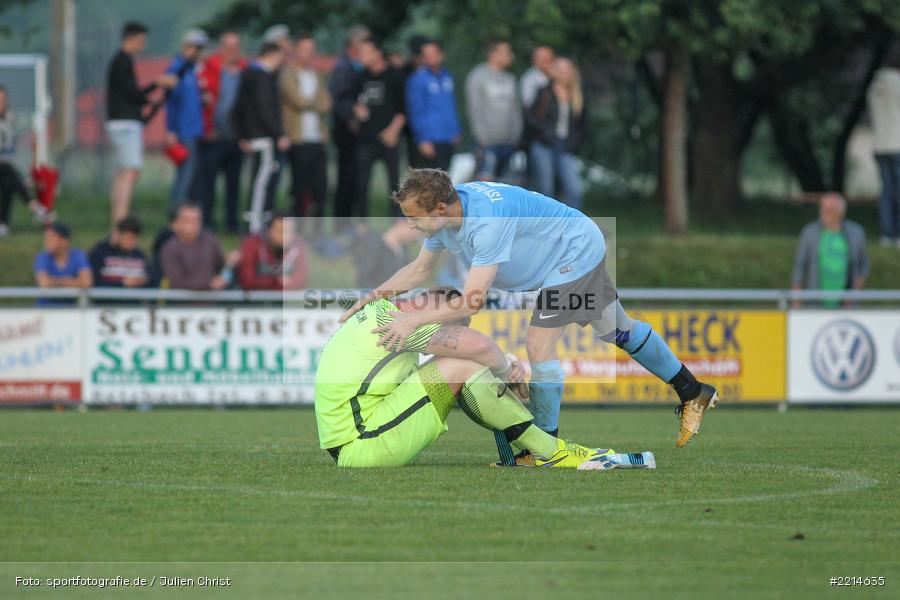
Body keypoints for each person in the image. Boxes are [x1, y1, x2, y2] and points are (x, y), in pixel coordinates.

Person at [340, 169, 718, 458]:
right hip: (574, 244)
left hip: (573, 256)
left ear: (439, 208)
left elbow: (471, 301)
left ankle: (542, 449)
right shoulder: (445, 218)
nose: (410, 226)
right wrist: (372, 297)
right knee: (618, 331)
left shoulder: (487, 224)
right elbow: (419, 271)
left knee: (539, 344)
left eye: (414, 218)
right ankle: (692, 390)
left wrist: (411, 319)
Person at [317, 287, 654, 469]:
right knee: (461, 362)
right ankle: (551, 451)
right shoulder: (399, 323)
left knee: (459, 361)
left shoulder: (383, 310)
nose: (447, 329)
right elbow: (477, 345)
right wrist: (508, 370)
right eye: (451, 322)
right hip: (361, 447)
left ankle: (521, 453)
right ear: (438, 307)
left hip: (356, 440)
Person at [106, 22, 175, 226]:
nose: (143, 46)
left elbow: (132, 94)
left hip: (122, 121)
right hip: (125, 123)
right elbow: (133, 93)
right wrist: (157, 84)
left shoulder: (121, 61)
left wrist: (150, 99)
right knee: (130, 171)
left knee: (123, 171)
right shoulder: (122, 61)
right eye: (142, 41)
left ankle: (118, 218)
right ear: (132, 38)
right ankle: (121, 220)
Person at [340, 39, 406, 219]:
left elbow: (403, 109)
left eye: (365, 52)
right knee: (361, 184)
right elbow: (350, 103)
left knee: (395, 184)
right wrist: (355, 112)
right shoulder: (359, 78)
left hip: (388, 138)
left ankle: (398, 224)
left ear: (377, 53)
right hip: (365, 140)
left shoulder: (394, 77)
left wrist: (393, 130)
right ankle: (361, 226)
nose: (361, 57)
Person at [231, 42, 289, 234]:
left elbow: (237, 107)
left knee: (256, 180)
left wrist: (240, 135)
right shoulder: (263, 76)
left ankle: (255, 223)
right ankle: (255, 227)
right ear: (271, 55)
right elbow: (265, 109)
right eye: (279, 57)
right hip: (263, 137)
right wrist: (279, 133)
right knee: (261, 183)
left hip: (252, 137)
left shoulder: (246, 74)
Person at [194, 31, 246, 232]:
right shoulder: (209, 69)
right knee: (208, 183)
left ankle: (231, 223)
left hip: (236, 137)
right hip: (214, 136)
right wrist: (206, 129)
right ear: (222, 49)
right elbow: (200, 103)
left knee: (234, 185)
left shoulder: (244, 71)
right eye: (229, 47)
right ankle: (207, 222)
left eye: (236, 48)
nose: (233, 52)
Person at [280, 32, 330, 226]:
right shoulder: (289, 74)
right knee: (300, 187)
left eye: (312, 50)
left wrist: (314, 102)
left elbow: (327, 103)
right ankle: (298, 228)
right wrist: (316, 102)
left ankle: (317, 229)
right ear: (296, 51)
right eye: (305, 50)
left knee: (321, 187)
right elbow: (297, 100)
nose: (309, 54)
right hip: (298, 138)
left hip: (318, 137)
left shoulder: (316, 75)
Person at [526, 57, 587, 209]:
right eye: (561, 70)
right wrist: (545, 132)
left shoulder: (578, 95)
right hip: (543, 144)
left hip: (566, 146)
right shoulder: (544, 92)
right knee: (545, 189)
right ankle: (546, 229)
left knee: (574, 189)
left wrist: (575, 143)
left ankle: (574, 227)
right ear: (554, 72)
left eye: (567, 70)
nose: (564, 74)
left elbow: (582, 125)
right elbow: (530, 117)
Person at [791, 193, 869, 308]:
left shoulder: (856, 233)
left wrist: (853, 294)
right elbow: (799, 266)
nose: (824, 212)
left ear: (841, 211)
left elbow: (863, 266)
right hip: (815, 303)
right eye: (822, 207)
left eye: (829, 208)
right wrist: (796, 299)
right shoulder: (810, 232)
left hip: (846, 305)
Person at [329, 26, 371, 223]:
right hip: (346, 133)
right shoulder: (343, 68)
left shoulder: (362, 67)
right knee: (346, 180)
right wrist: (351, 117)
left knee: (358, 180)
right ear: (354, 46)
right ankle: (342, 223)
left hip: (360, 134)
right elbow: (338, 100)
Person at [465, 40, 522, 181]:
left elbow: (516, 110)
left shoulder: (510, 78)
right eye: (507, 52)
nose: (511, 56)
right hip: (487, 142)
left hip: (509, 142)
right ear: (493, 54)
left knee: (505, 186)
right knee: (485, 187)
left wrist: (516, 135)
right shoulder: (477, 76)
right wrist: (482, 137)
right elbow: (474, 108)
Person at [165, 28, 209, 205]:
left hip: (194, 130)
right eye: (196, 48)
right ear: (187, 47)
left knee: (191, 177)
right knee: (185, 177)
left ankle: (185, 214)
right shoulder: (178, 69)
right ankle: (176, 213)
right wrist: (171, 130)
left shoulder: (191, 72)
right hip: (183, 132)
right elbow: (170, 102)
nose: (198, 53)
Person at [0, 85, 49, 236]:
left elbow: (10, 144)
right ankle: (32, 205)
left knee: (8, 179)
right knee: (9, 175)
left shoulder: (10, 118)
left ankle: (3, 225)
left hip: (4, 166)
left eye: (3, 99)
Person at [405, 40, 460, 170]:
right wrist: (422, 139)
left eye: (433, 53)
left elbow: (451, 105)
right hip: (430, 139)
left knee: (446, 179)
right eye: (426, 54)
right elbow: (415, 110)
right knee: (430, 183)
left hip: (448, 137)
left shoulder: (447, 76)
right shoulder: (417, 79)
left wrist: (456, 130)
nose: (430, 57)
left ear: (442, 55)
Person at [867, 50, 900, 248]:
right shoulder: (898, 84)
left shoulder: (873, 86)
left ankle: (886, 235)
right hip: (898, 144)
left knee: (886, 192)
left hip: (879, 145)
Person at [159, 203, 232, 290]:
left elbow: (222, 266)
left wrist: (230, 262)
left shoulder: (210, 241)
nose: (194, 224)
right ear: (174, 224)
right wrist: (209, 284)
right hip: (181, 302)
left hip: (212, 301)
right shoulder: (169, 249)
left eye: (197, 220)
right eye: (188, 220)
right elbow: (177, 282)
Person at [237, 212, 308, 290]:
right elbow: (248, 282)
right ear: (268, 231)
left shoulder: (297, 245)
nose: (286, 236)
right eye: (281, 230)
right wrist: (278, 282)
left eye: (289, 231)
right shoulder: (252, 244)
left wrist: (263, 280)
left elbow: (300, 282)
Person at [352, 219, 421, 289]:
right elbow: (363, 278)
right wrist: (379, 297)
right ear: (400, 224)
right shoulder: (374, 245)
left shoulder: (405, 250)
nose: (415, 235)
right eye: (413, 229)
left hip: (399, 298)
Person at [33, 223, 92, 305]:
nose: (46, 242)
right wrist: (74, 282)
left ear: (64, 241)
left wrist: (55, 282)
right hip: (45, 311)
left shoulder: (78, 256)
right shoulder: (42, 257)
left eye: (51, 238)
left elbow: (86, 283)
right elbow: (44, 284)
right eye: (46, 238)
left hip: (69, 311)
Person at [88, 216, 149, 288]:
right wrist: (122, 284)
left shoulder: (139, 255)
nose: (131, 242)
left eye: (134, 238)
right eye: (128, 238)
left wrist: (144, 280)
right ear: (118, 234)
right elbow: (93, 283)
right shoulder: (100, 253)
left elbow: (150, 277)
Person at [520, 45, 555, 110]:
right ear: (534, 60)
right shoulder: (529, 78)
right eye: (540, 57)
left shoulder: (559, 74)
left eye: (547, 57)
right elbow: (528, 104)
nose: (544, 60)